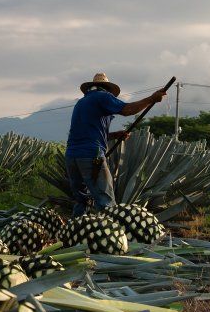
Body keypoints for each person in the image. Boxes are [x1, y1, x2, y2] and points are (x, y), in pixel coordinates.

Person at [64, 72, 169, 217]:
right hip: (92, 155)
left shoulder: (82, 103)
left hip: (71, 156)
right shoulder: (103, 96)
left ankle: (77, 228)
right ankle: (109, 230)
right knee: (105, 201)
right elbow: (127, 110)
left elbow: (87, 134)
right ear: (107, 89)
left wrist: (114, 135)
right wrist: (152, 99)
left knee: (82, 200)